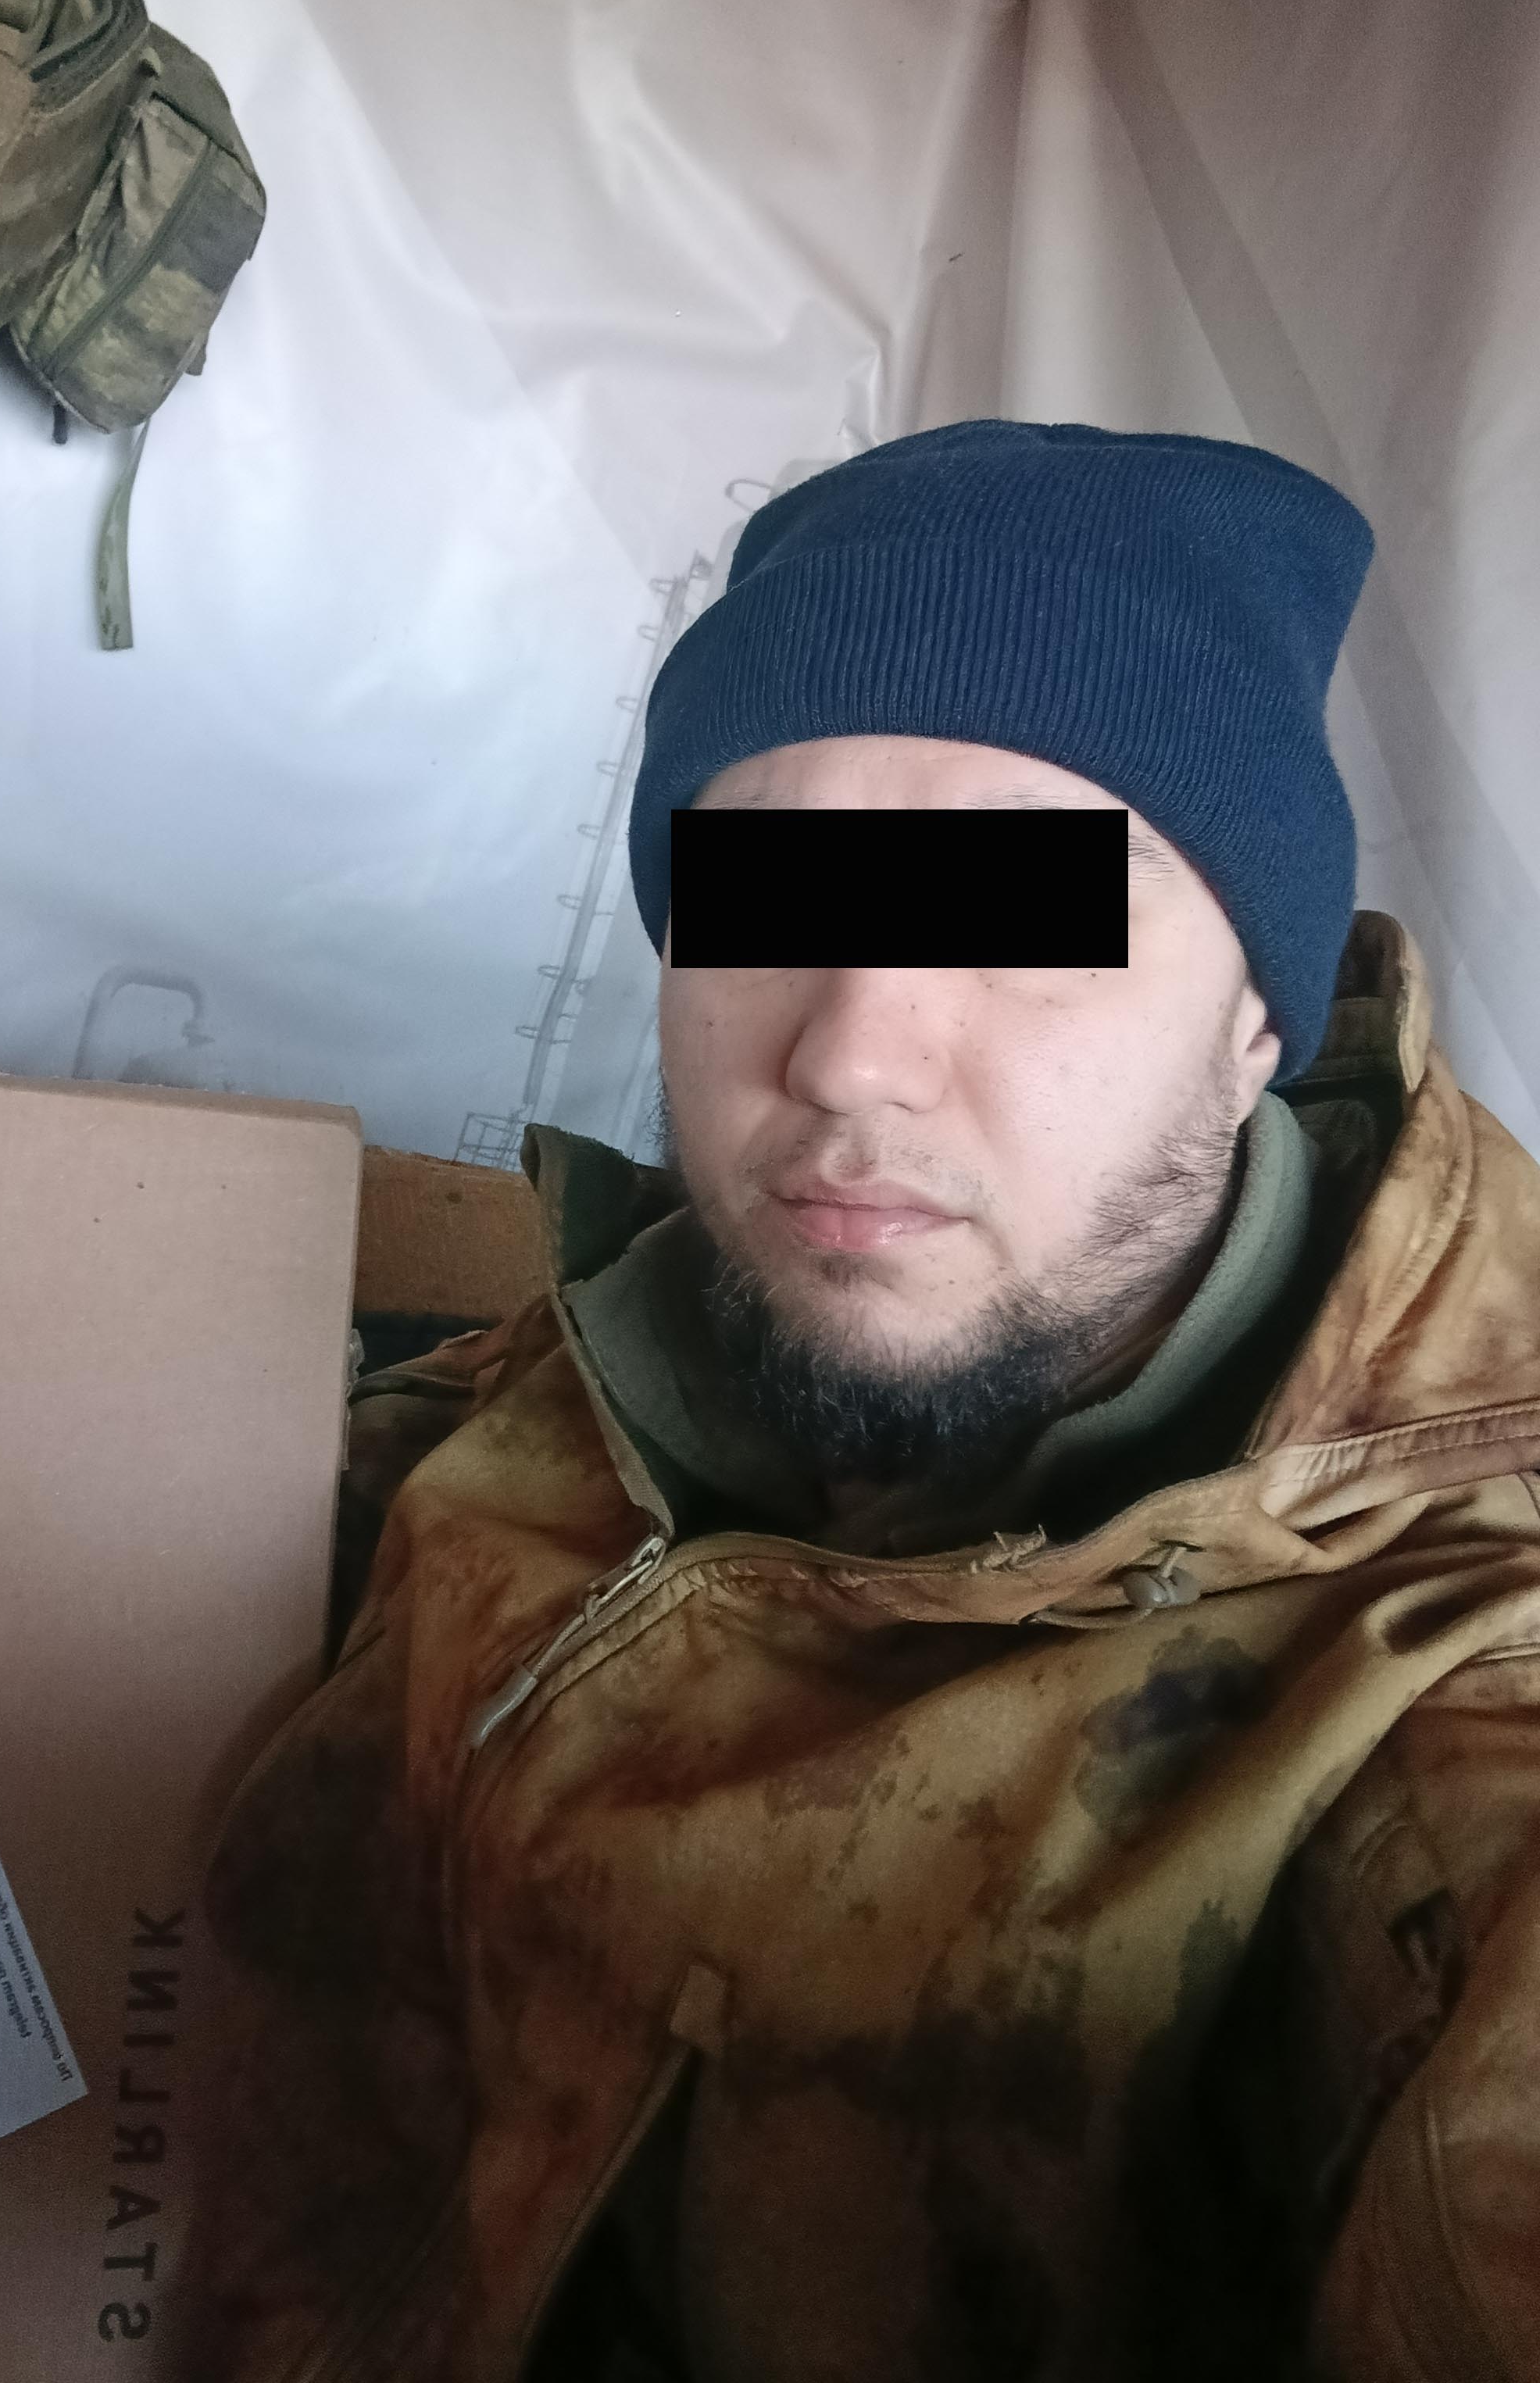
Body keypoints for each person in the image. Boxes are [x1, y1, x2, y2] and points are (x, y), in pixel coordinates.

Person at [192, 422, 1540, 2382]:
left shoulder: (1448, 1682)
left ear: (1257, 1020)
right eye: (767, 897)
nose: (849, 1056)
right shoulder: (632, 1337)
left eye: (1023, 919)